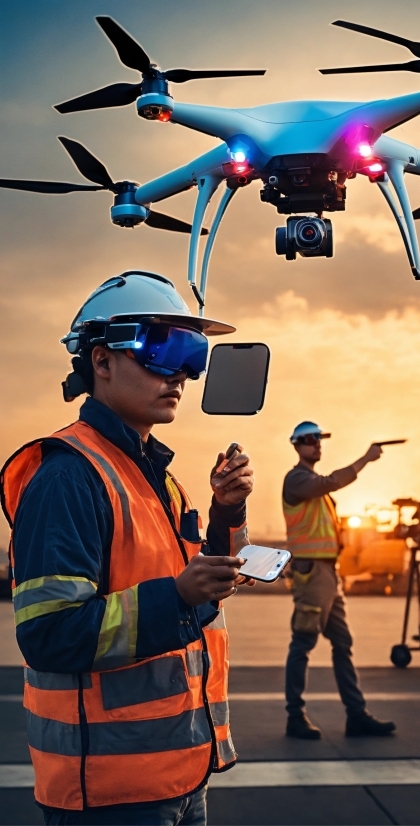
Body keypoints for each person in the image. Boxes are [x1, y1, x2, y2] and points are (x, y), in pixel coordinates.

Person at [1, 271, 254, 825]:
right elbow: (48, 634)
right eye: (161, 350)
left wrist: (227, 512)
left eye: (191, 355)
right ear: (102, 360)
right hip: (111, 795)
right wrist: (179, 596)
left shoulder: (155, 477)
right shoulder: (68, 477)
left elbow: (203, 586)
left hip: (180, 775)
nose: (181, 375)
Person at [282, 421, 396, 740]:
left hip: (328, 575)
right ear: (296, 445)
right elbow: (331, 482)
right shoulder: (297, 479)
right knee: (303, 643)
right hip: (311, 574)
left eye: (319, 439)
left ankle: (356, 715)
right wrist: (365, 459)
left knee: (343, 642)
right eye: (309, 440)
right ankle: (295, 717)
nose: (316, 444)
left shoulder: (313, 484)